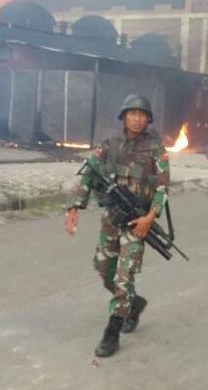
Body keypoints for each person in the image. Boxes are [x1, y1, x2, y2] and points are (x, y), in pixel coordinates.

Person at [64, 94, 170, 357]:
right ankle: (134, 304)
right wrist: (75, 206)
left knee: (124, 279)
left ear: (148, 119)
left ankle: (112, 333)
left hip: (137, 224)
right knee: (104, 270)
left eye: (141, 114)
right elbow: (88, 173)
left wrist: (149, 218)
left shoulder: (156, 149)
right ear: (123, 117)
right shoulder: (109, 145)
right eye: (131, 113)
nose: (136, 118)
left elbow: (162, 188)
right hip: (111, 220)